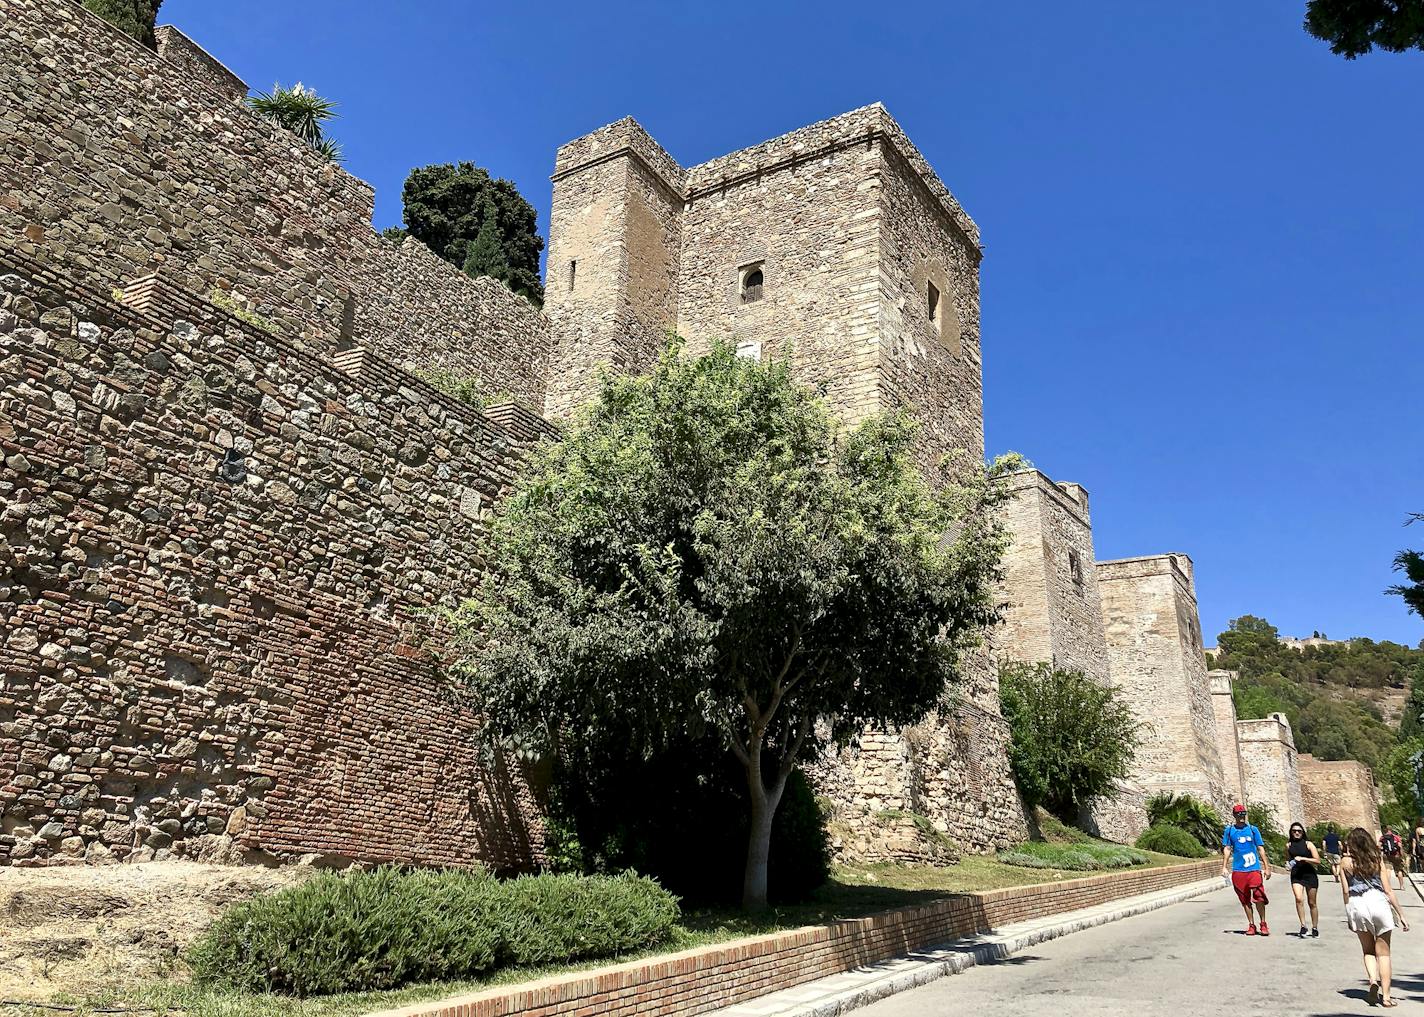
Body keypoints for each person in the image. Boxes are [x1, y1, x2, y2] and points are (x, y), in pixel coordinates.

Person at [1340, 826, 1410, 1007]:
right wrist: (1401, 914)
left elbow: (1346, 892)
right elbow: (1388, 891)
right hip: (1377, 901)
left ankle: (1372, 981)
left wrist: (1349, 915)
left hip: (1357, 904)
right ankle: (1386, 997)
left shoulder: (1345, 863)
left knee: (1368, 950)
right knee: (1384, 954)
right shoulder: (1376, 860)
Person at [1222, 802, 1272, 936]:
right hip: (1238, 870)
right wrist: (1224, 866)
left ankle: (1263, 923)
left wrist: (1266, 867)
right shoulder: (1230, 830)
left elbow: (1260, 848)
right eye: (1239, 814)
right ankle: (1251, 924)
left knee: (1259, 896)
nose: (1241, 816)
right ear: (1234, 815)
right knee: (1245, 900)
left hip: (1253, 868)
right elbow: (1227, 849)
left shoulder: (1253, 830)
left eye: (1243, 814)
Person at [1287, 822, 1322, 937]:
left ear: (1303, 832)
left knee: (1312, 903)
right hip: (1296, 874)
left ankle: (1315, 927)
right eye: (1294, 831)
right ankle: (1303, 926)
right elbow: (1288, 858)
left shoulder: (1308, 844)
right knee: (1298, 899)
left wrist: (1303, 858)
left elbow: (1317, 860)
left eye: (1299, 831)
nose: (1297, 832)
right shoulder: (1288, 845)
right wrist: (1288, 864)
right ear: (1291, 833)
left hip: (1309, 874)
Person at [1380, 826, 1408, 891]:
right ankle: (1401, 886)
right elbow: (1400, 846)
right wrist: (1401, 855)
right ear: (1391, 830)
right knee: (1399, 870)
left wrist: (1382, 851)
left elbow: (1378, 846)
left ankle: (1388, 886)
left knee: (1388, 870)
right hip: (1396, 855)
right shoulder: (1396, 837)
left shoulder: (1382, 838)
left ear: (1385, 830)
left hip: (1386, 855)